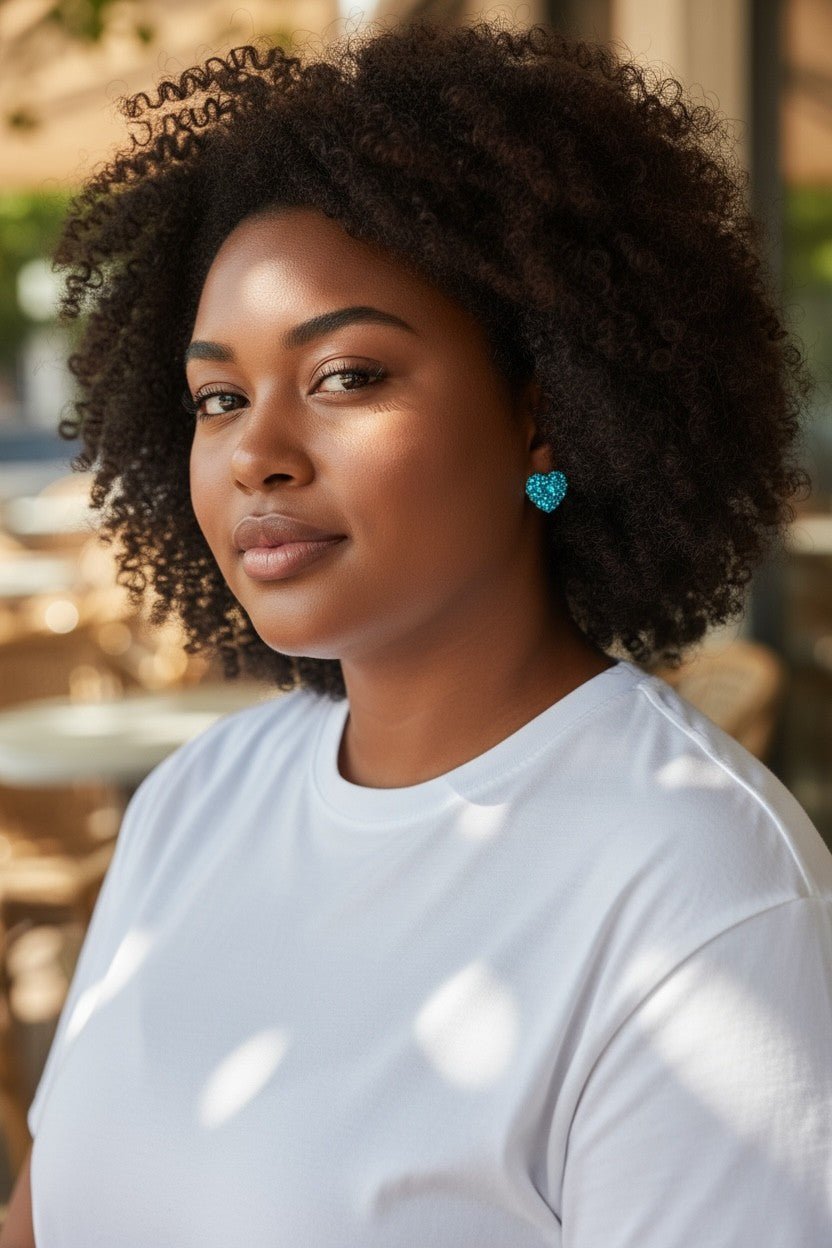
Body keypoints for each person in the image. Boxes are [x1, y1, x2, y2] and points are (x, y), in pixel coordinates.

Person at [3, 19, 831, 1248]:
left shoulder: (697, 886)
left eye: (346, 376)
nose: (257, 456)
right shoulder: (195, 801)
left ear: (544, 418)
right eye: (218, 399)